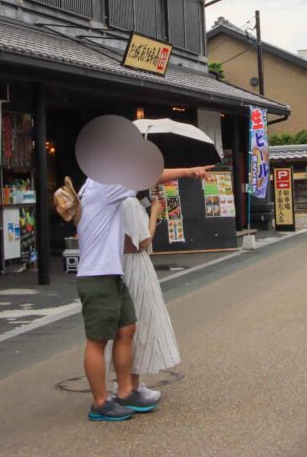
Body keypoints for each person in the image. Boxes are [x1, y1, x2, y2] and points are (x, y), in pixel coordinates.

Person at [77, 165, 209, 422]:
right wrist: (188, 172)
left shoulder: (104, 185)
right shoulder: (104, 183)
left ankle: (126, 392)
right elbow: (146, 175)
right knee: (97, 340)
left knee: (127, 329)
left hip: (113, 273)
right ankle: (101, 403)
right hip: (97, 274)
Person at [111, 194, 179, 403]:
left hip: (121, 263)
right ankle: (129, 386)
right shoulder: (129, 203)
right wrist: (155, 214)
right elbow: (144, 240)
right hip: (135, 266)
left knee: (131, 327)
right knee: (139, 323)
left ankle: (128, 384)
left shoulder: (114, 200)